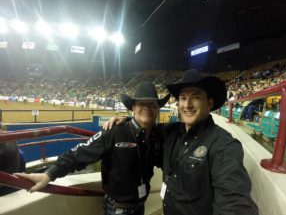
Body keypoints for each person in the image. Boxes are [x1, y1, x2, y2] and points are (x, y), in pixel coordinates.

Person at [105, 69, 259, 215]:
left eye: (196, 97)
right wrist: (128, 121)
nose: (187, 105)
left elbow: (234, 200)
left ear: (210, 103)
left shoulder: (224, 145)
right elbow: (144, 123)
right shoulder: (168, 132)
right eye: (183, 98)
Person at [15, 81, 170, 215]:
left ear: (157, 109)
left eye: (152, 104)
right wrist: (49, 174)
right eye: (142, 104)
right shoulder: (114, 131)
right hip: (118, 209)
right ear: (133, 108)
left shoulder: (157, 135)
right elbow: (80, 153)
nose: (147, 108)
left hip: (140, 205)